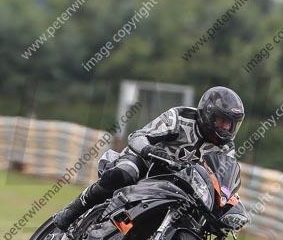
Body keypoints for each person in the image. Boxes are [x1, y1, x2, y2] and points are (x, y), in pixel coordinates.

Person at [53, 86, 245, 230]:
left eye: (231, 124)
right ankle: (72, 211)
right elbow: (137, 137)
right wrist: (149, 150)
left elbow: (223, 176)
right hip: (146, 162)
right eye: (222, 121)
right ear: (208, 114)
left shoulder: (226, 148)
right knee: (123, 174)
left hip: (179, 184)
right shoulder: (180, 117)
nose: (226, 129)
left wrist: (229, 202)